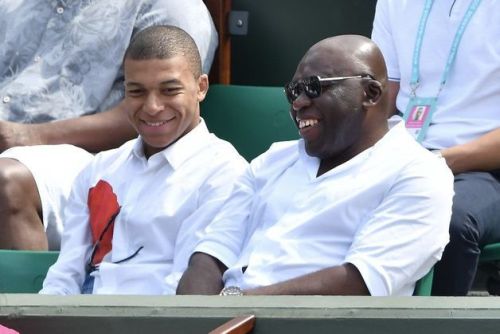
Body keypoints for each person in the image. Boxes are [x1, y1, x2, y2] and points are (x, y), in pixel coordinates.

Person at [176, 35, 454, 297]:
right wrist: (194, 318)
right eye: (293, 91)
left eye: (314, 87)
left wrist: (235, 305)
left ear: (370, 93)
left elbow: (360, 283)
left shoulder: (418, 173)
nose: (298, 103)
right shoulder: (273, 160)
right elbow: (211, 254)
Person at [39, 25, 247, 295]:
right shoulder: (100, 168)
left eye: (170, 90)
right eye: (136, 92)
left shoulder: (225, 173)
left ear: (201, 87)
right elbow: (65, 275)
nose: (152, 107)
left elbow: (189, 286)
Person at [0, 0, 218, 251]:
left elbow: (159, 112)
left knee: (7, 178)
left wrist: (31, 136)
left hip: (99, 159)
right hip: (14, 141)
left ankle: (27, 289)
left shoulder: (171, 6)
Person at [372, 0, 500, 296]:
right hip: (406, 151)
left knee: (449, 221)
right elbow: (381, 98)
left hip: (484, 168)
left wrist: (437, 161)